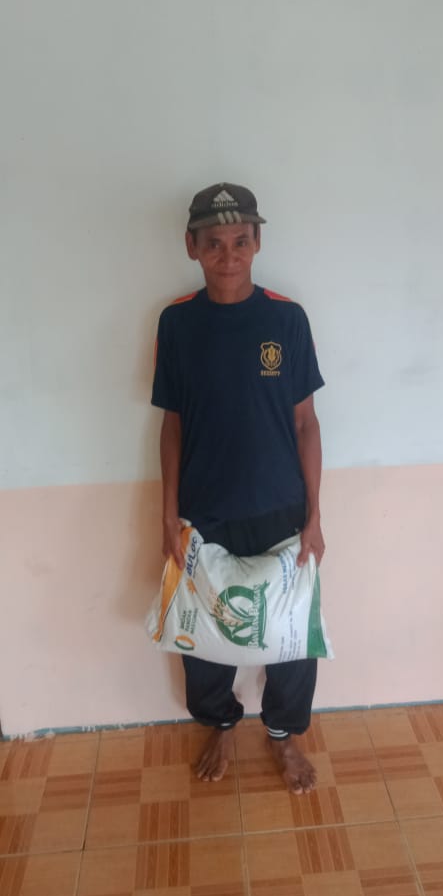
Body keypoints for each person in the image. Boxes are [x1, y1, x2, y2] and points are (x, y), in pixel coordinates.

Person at [151, 182, 325, 794]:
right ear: (192, 246)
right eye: (215, 243)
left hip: (281, 509)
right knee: (202, 631)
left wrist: (315, 516)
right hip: (205, 511)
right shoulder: (177, 323)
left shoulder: (286, 319)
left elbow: (306, 424)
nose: (229, 255)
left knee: (291, 635)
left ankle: (284, 735)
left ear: (257, 243)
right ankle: (221, 723)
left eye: (241, 241)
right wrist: (168, 515)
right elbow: (173, 425)